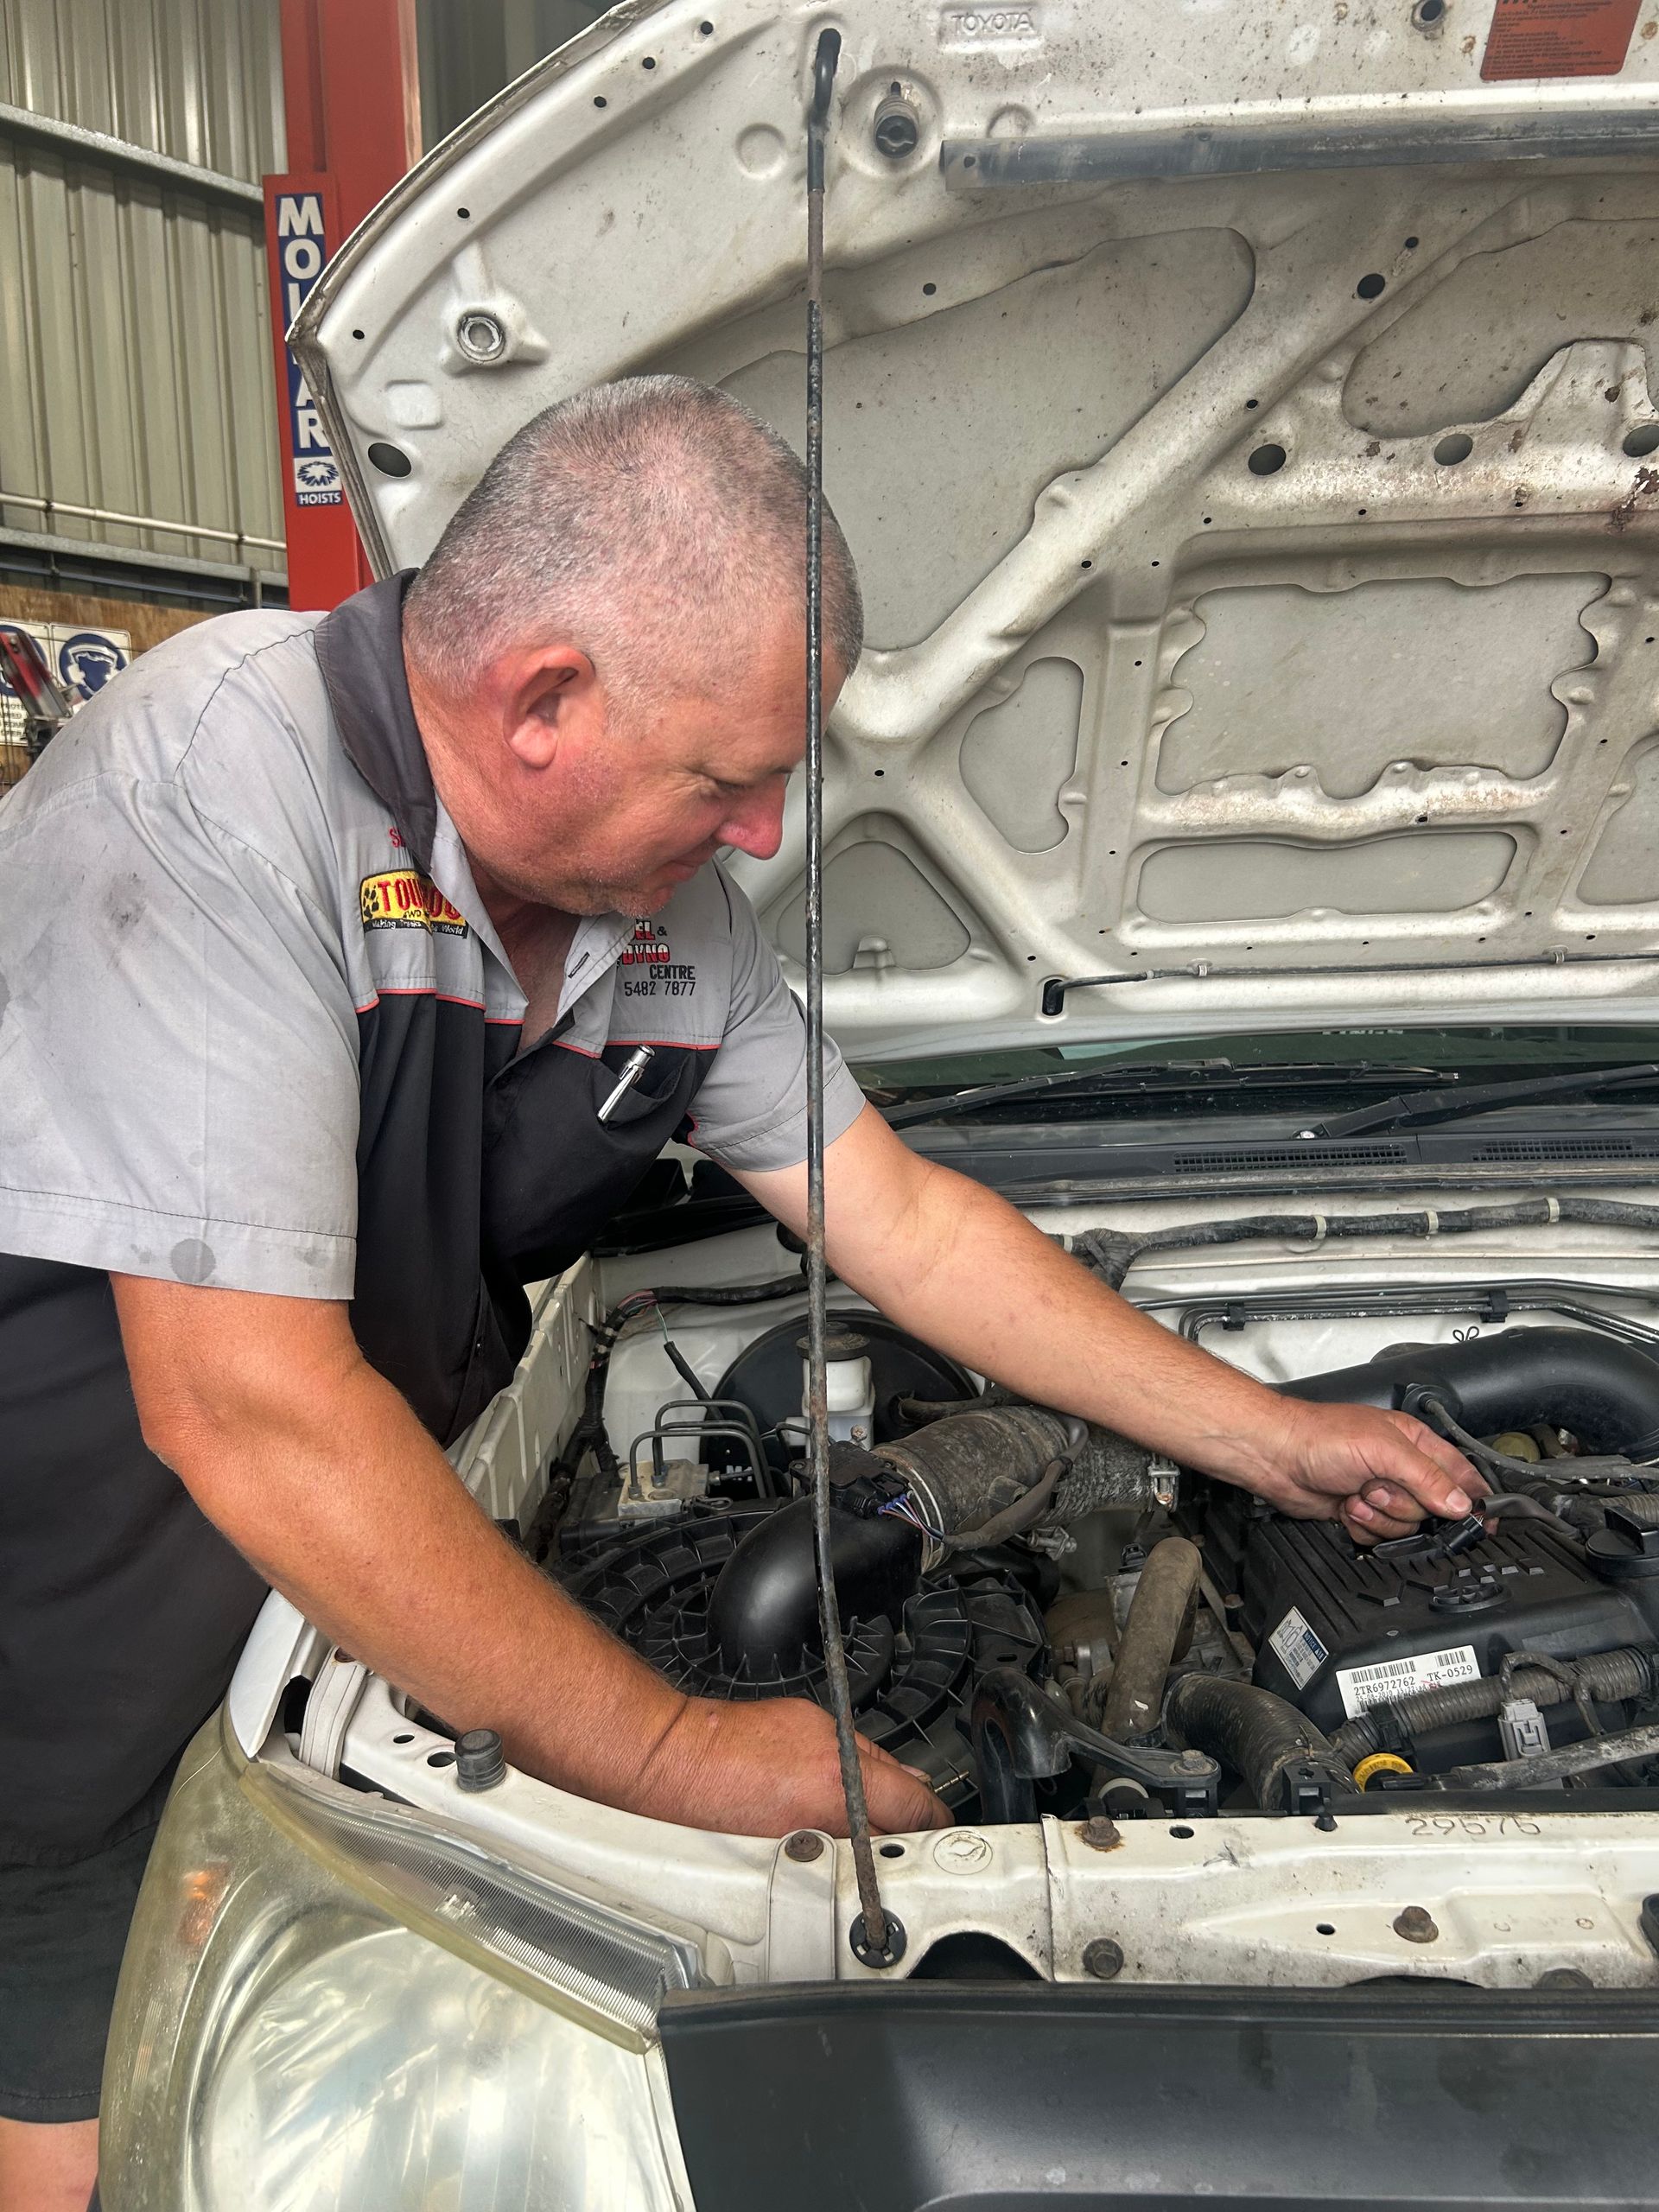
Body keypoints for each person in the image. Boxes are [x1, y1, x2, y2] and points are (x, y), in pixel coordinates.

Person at [0, 377, 1477, 2205]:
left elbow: (906, 1222)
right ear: (542, 697)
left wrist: (1274, 1440)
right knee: (102, 2133)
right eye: (731, 774)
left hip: (359, 1578)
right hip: (65, 1636)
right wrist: (685, 1752)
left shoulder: (659, 916)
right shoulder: (210, 784)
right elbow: (246, 1404)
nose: (771, 833)